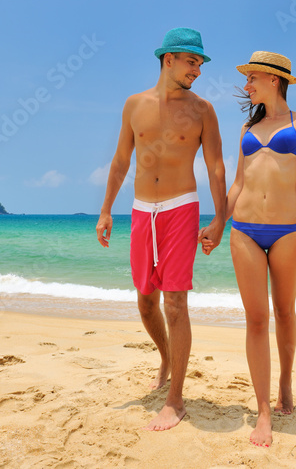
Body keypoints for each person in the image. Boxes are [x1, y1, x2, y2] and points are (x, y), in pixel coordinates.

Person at [96, 27, 226, 431]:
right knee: (146, 302)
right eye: (192, 61)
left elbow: (216, 167)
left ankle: (176, 398)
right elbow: (120, 161)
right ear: (168, 58)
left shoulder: (203, 110)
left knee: (175, 303)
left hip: (180, 207)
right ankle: (167, 357)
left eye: (201, 63)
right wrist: (105, 211)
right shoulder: (134, 105)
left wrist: (221, 219)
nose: (198, 69)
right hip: (140, 211)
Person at [212, 51, 296, 447]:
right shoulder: (248, 127)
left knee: (284, 311)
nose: (246, 84)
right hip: (244, 229)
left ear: (274, 80)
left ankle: (285, 382)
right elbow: (237, 184)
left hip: (288, 231)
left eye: (252, 77)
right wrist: (218, 222)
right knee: (256, 319)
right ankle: (263, 410)